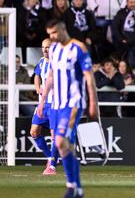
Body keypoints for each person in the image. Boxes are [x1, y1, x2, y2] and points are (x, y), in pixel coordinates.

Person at [38, 19, 98, 198]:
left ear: (63, 29)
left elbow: (89, 77)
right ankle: (77, 188)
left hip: (73, 103)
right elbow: (50, 76)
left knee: (60, 142)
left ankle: (71, 185)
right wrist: (42, 102)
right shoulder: (54, 50)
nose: (52, 37)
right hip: (55, 104)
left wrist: (93, 102)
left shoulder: (79, 48)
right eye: (50, 34)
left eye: (54, 33)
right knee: (66, 147)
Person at [30, 38, 59, 175]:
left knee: (54, 135)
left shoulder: (58, 63)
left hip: (55, 104)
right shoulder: (41, 62)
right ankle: (50, 157)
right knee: (34, 131)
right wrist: (37, 88)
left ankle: (52, 166)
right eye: (43, 47)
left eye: (47, 47)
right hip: (43, 103)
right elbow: (36, 76)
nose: (45, 50)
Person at [112, 0, 135, 69]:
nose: (133, 4)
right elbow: (115, 27)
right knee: (128, 65)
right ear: (127, 2)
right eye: (131, 2)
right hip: (125, 45)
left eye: (134, 2)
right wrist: (121, 39)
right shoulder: (121, 13)